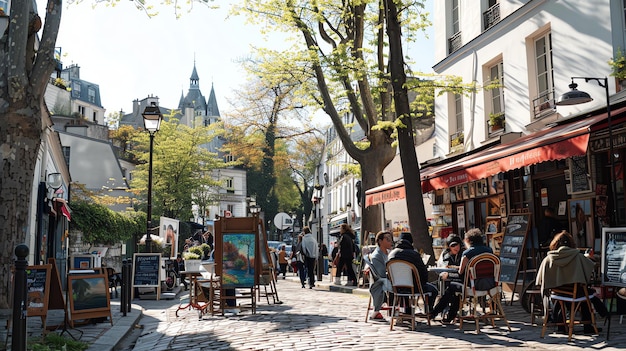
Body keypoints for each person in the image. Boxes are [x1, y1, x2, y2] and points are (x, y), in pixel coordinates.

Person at [535, 231, 607, 334]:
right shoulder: (578, 257)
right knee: (586, 293)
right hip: (575, 292)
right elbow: (589, 268)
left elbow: (542, 280)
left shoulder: (548, 259)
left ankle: (561, 325)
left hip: (557, 293)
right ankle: (588, 325)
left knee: (566, 296)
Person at [431, 228, 493, 323]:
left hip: (473, 285)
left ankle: (435, 313)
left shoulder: (467, 253)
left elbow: (461, 272)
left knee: (453, 287)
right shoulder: (489, 251)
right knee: (456, 288)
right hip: (490, 284)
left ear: (468, 241)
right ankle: (448, 316)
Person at [388, 232, 438, 314]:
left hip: (396, 287)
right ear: (411, 242)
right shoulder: (414, 255)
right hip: (414, 287)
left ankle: (407, 311)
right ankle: (428, 312)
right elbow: (423, 273)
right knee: (433, 290)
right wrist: (421, 282)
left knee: (406, 287)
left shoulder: (391, 254)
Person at [430, 234, 463, 322]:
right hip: (447, 279)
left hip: (461, 279)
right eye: (453, 246)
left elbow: (462, 270)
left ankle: (436, 312)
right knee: (446, 288)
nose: (456, 247)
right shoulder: (445, 254)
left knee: (451, 290)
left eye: (457, 245)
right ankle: (445, 314)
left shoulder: (463, 254)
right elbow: (442, 267)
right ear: (449, 246)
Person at [367, 231, 394, 320]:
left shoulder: (390, 253)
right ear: (380, 241)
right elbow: (381, 274)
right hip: (380, 283)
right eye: (388, 239)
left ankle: (402, 311)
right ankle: (400, 312)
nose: (391, 242)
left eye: (391, 239)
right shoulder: (377, 256)